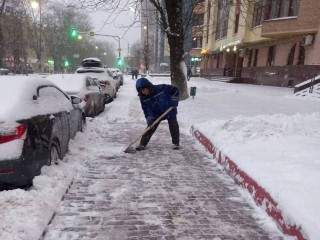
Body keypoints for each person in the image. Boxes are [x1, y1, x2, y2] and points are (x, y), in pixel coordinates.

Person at [135, 77, 180, 151]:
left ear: (148, 86)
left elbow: (175, 90)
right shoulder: (143, 98)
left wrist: (174, 101)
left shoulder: (161, 88)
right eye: (141, 91)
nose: (143, 92)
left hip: (169, 109)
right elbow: (146, 109)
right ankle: (142, 144)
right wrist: (150, 119)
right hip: (156, 113)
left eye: (143, 90)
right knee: (150, 127)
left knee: (173, 125)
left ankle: (176, 143)